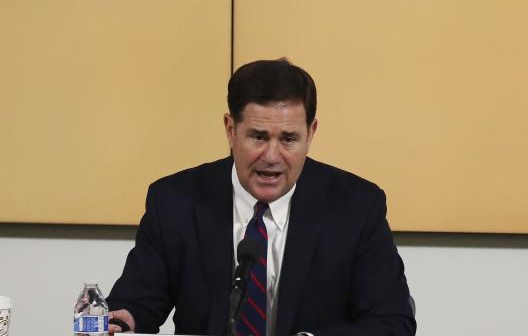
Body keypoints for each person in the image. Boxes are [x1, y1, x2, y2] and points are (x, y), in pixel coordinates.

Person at [106, 58, 416, 336]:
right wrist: (120, 322)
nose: (271, 156)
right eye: (258, 136)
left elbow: (392, 321)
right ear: (230, 130)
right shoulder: (175, 202)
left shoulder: (356, 207)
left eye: (288, 139)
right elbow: (136, 303)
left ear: (311, 133)